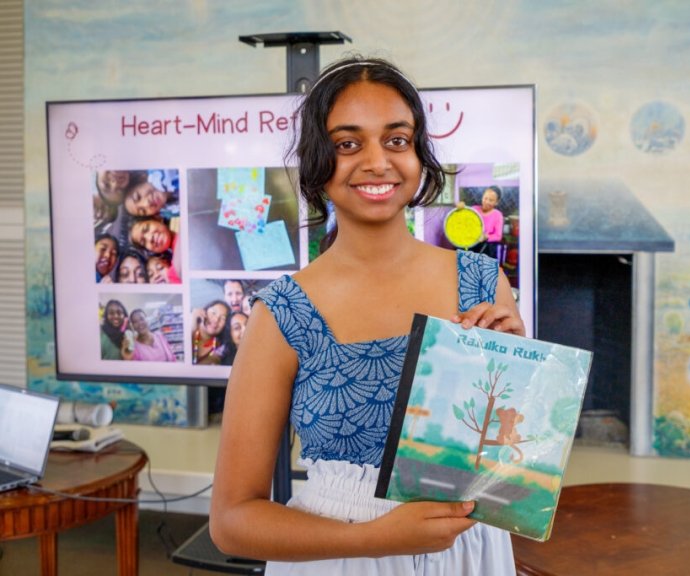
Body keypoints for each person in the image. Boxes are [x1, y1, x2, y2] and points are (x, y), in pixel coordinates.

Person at [209, 56, 525, 575]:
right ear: (317, 160)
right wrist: (373, 539)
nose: (377, 161)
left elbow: (508, 463)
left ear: (418, 153)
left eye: (396, 140)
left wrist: (520, 374)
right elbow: (232, 520)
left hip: (470, 553)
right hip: (340, 559)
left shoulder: (483, 282)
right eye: (348, 143)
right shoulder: (283, 313)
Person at [459, 185, 505, 259]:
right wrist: (461, 209)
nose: (486, 202)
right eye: (485, 198)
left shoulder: (498, 215)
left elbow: (498, 236)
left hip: (486, 249)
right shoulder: (474, 209)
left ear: (496, 202)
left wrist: (485, 237)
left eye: (491, 200)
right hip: (471, 246)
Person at [190, 300, 230, 365]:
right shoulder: (187, 327)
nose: (216, 320)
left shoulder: (221, 347)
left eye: (223, 318)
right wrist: (192, 327)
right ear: (204, 312)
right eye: (213, 313)